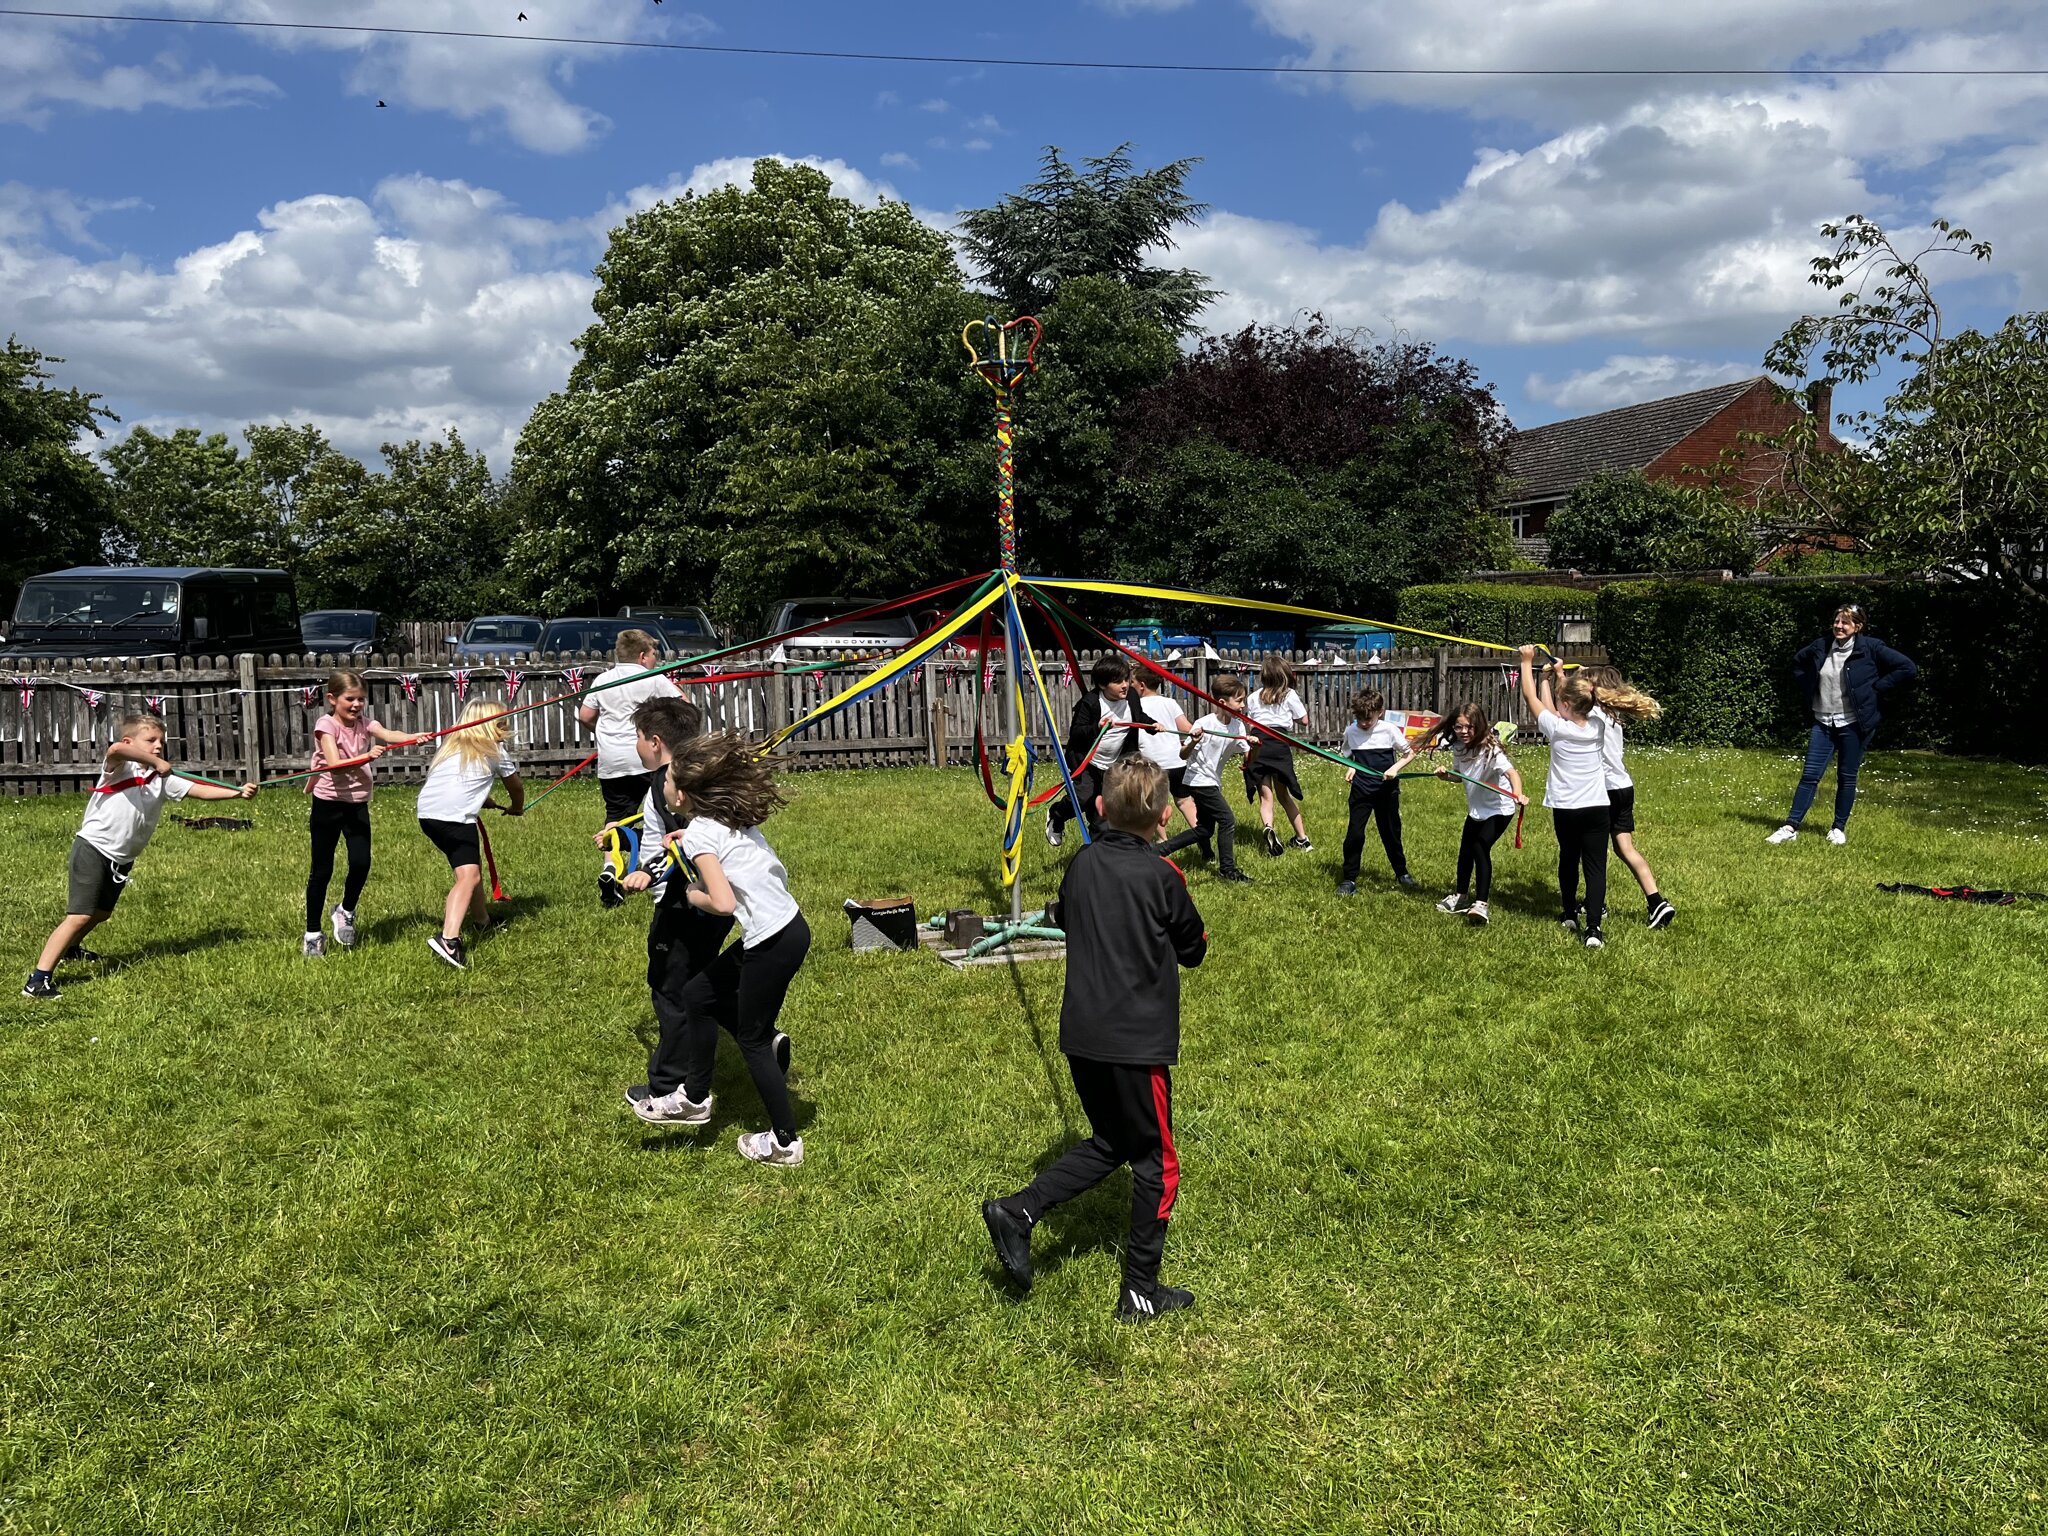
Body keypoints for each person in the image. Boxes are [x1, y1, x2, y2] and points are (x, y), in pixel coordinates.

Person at [981, 758, 1209, 1322]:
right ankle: (1140, 1290)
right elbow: (1195, 947)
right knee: (1158, 1162)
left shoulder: (1079, 865)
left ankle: (1017, 1212)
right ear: (1162, 818)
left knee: (1112, 1140)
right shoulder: (1164, 876)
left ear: (1100, 808)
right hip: (1136, 1044)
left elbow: (1069, 917)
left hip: (1081, 1035)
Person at [616, 698, 792, 1121]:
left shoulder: (669, 785)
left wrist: (649, 875)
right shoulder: (704, 781)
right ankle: (759, 1037)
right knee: (700, 985)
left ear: (656, 743)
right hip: (725, 908)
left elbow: (688, 849)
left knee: (671, 988)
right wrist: (626, 830)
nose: (636, 745)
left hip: (691, 904)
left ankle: (670, 1085)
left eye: (637, 738)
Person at [655, 732, 811, 1167]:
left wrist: (690, 893)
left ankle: (784, 1143)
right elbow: (721, 848)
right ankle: (695, 1097)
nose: (663, 783)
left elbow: (721, 904)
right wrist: (693, 840)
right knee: (698, 995)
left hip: (771, 941)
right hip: (790, 927)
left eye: (667, 778)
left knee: (752, 1040)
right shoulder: (724, 816)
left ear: (682, 795)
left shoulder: (700, 836)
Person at [23, 711, 255, 1000]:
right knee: (80, 915)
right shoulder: (120, 768)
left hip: (121, 858)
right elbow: (115, 749)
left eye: (162, 742)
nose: (159, 746)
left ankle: (70, 949)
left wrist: (235, 793)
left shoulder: (161, 779)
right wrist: (155, 761)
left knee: (101, 913)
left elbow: (198, 790)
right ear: (131, 741)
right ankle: (38, 980)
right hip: (94, 848)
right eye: (151, 740)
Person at [1767, 604, 1918, 846]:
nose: (1839, 626)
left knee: (1846, 777)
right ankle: (1790, 826)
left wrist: (1878, 688)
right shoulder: (1821, 646)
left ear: (1857, 627)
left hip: (1854, 724)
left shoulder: (1871, 648)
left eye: (1845, 622)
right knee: (1809, 776)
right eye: (1837, 621)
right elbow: (1797, 662)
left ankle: (1838, 828)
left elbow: (1907, 668)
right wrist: (1808, 686)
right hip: (1823, 721)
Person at [303, 669, 421, 958]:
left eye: (361, 699)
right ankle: (313, 933)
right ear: (332, 699)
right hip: (328, 803)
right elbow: (333, 763)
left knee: (361, 863)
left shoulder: (364, 723)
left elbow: (388, 734)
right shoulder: (325, 725)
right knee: (322, 870)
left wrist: (414, 737)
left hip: (357, 803)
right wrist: (365, 757)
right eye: (350, 699)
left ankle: (345, 911)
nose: (356, 705)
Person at [415, 698, 524, 970]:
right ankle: (448, 939)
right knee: (469, 876)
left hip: (428, 816)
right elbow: (516, 788)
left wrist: (481, 799)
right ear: (492, 725)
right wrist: (516, 808)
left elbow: (458, 783)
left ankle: (482, 922)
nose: (505, 725)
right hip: (454, 818)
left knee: (468, 872)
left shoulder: (451, 746)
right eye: (502, 721)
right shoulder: (496, 752)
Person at [579, 630, 681, 907]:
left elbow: (586, 716)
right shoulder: (652, 678)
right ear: (641, 656)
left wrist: (605, 734)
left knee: (616, 815)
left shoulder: (602, 679)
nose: (655, 662)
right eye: (653, 656)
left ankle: (611, 868)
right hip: (648, 756)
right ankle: (662, 867)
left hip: (612, 760)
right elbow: (683, 706)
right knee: (663, 811)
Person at [1518, 646, 1611, 949]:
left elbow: (1531, 699)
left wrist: (1527, 662)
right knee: (1595, 867)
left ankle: (1570, 912)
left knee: (1569, 858)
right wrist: (1555, 676)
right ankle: (1594, 929)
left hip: (1567, 808)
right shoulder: (1597, 724)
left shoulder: (1556, 728)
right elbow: (1564, 704)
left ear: (1567, 703)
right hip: (1597, 807)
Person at [1580, 665, 1675, 928]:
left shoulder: (1592, 714)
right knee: (1625, 848)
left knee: (1592, 852)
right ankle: (1656, 901)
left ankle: (1594, 904)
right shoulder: (1613, 716)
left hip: (1604, 791)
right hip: (1623, 787)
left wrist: (1559, 675)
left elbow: (1566, 703)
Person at [1427, 704, 1524, 926]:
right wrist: (1446, 776)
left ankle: (1481, 904)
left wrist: (1517, 793)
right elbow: (1461, 776)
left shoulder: (1492, 749)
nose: (1463, 731)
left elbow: (1512, 773)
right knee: (1465, 851)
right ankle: (1461, 896)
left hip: (1500, 809)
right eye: (1459, 727)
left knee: (1480, 847)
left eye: (1469, 727)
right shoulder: (1460, 748)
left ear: (1478, 725)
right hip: (1477, 810)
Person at [1161, 675, 1254, 883]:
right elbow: (1183, 755)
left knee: (1204, 829)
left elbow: (1248, 757)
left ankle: (1160, 850)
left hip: (1212, 780)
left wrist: (1254, 746)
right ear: (1222, 702)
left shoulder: (1238, 727)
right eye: (1239, 700)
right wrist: (1194, 741)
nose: (1243, 705)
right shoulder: (1204, 723)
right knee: (1227, 820)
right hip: (1198, 780)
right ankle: (1227, 871)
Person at [1046, 656, 1137, 847]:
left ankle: (1097, 851)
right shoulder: (1090, 702)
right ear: (1103, 685)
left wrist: (1152, 725)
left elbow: (1139, 716)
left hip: (1112, 765)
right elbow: (1077, 732)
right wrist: (1097, 726)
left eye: (1126, 679)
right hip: (1086, 761)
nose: (1124, 685)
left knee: (1102, 811)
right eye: (1118, 681)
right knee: (1083, 797)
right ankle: (1057, 814)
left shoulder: (1131, 697)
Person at [1336, 688, 1418, 896]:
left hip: (1386, 790)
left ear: (1380, 712)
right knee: (1354, 834)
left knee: (1391, 832)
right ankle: (1349, 879)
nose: (1364, 723)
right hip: (1361, 790)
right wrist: (1352, 767)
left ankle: (1402, 873)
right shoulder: (1351, 732)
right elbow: (1348, 755)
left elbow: (1409, 754)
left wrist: (1394, 769)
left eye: (1368, 718)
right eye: (1360, 718)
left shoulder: (1389, 730)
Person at [1243, 654, 1312, 858]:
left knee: (1266, 797)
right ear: (1285, 676)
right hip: (1279, 745)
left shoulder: (1253, 697)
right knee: (1284, 796)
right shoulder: (1289, 695)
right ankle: (1302, 839)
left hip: (1259, 745)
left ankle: (1268, 827)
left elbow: (1249, 723)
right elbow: (1305, 720)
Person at [1130, 672, 1199, 837]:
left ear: (1142, 685)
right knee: (1184, 800)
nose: (1129, 685)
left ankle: (1163, 840)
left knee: (1153, 804)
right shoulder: (1170, 702)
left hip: (1151, 764)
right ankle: (1201, 835)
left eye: (1132, 681)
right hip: (1176, 761)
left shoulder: (1135, 706)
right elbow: (1186, 727)